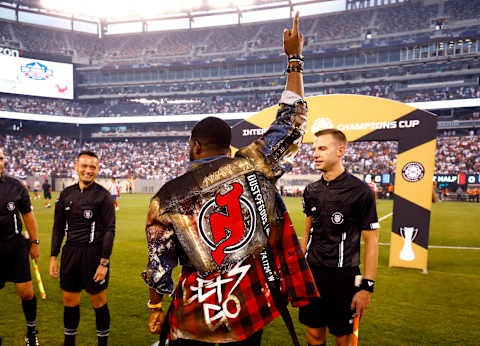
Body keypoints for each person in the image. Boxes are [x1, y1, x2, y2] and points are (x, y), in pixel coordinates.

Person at [143, 12, 318, 346]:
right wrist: (295, 59)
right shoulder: (254, 163)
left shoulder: (164, 199)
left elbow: (159, 266)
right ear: (228, 146)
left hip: (197, 313)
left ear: (194, 146)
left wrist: (155, 305)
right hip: (248, 306)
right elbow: (293, 121)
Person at [299, 129, 379, 346]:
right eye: (314, 149)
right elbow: (307, 233)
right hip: (313, 274)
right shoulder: (310, 190)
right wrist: (299, 272)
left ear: (341, 150)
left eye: (322, 148)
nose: (315, 154)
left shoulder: (360, 191)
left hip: (344, 277)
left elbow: (372, 241)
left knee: (344, 339)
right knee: (314, 335)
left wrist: (367, 287)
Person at [49, 151, 115, 346]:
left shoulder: (103, 197)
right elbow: (58, 227)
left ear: (97, 170)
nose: (88, 170)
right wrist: (54, 256)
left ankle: (102, 344)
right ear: (76, 167)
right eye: (84, 166)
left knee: (98, 302)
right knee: (69, 301)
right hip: (70, 253)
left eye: (92, 167)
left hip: (93, 255)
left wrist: (104, 262)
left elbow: (110, 230)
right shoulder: (66, 194)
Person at [0, 148, 41, 345]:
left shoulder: (15, 186)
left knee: (26, 292)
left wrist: (34, 242)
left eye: (0, 159)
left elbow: (28, 215)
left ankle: (31, 332)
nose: (0, 162)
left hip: (15, 246)